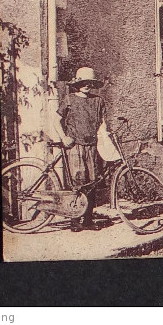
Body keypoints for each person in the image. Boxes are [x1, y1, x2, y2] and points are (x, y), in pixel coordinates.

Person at [55, 67, 107, 232]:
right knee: (78, 182)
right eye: (83, 82)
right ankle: (75, 220)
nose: (87, 85)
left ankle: (88, 220)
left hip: (92, 147)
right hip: (75, 147)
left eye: (90, 83)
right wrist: (64, 137)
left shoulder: (98, 101)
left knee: (92, 183)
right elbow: (56, 120)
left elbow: (103, 123)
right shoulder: (69, 100)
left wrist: (105, 135)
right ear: (77, 84)